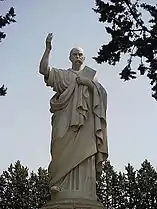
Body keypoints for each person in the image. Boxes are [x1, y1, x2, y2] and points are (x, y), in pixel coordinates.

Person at [39, 33, 108, 200]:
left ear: (84, 57)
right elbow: (43, 70)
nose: (78, 57)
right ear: (70, 57)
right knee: (59, 146)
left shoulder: (91, 76)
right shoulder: (63, 75)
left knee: (86, 152)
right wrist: (47, 49)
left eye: (80, 54)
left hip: (86, 124)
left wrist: (89, 84)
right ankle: (58, 185)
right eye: (75, 54)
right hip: (64, 118)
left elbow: (102, 95)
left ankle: (86, 190)